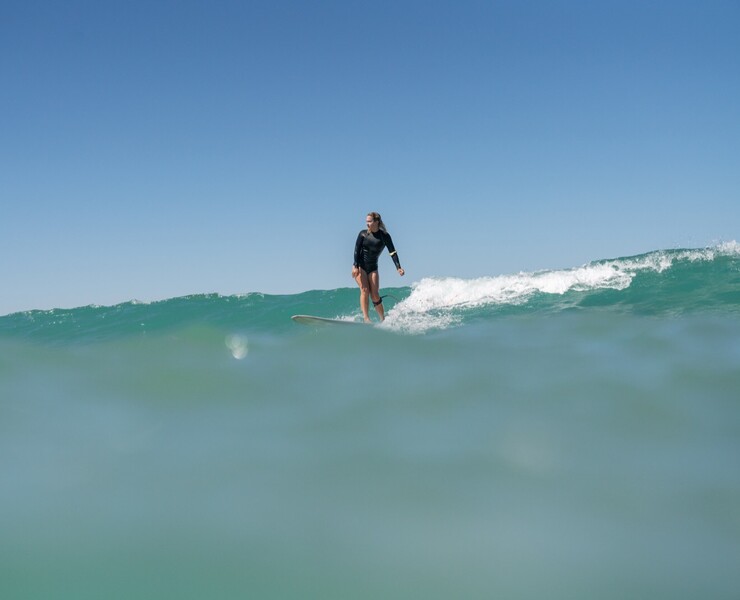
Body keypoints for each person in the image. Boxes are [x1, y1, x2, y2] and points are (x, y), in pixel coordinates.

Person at [352, 212, 405, 322]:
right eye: (366, 221)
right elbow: (357, 250)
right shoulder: (363, 234)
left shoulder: (385, 236)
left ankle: (383, 320)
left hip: (373, 267)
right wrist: (355, 266)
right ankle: (366, 318)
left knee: (375, 295)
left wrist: (398, 267)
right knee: (365, 290)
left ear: (377, 222)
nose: (367, 224)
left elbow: (393, 252)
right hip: (360, 266)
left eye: (370, 221)